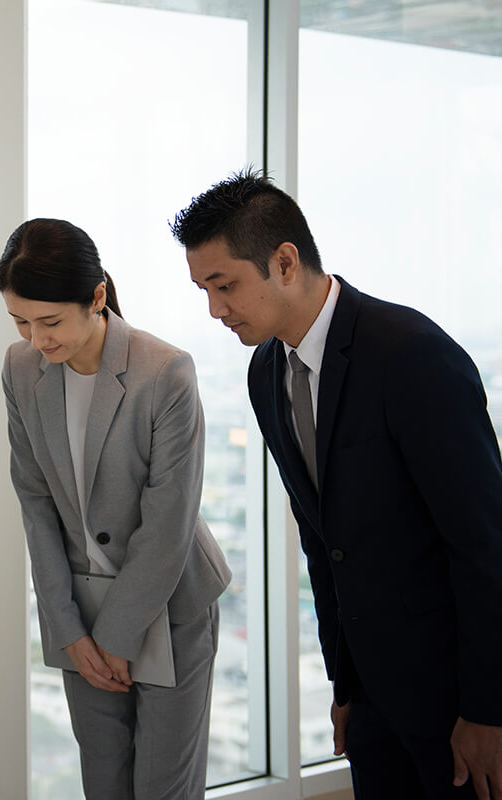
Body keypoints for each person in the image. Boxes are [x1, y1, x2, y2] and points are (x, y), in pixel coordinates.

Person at [173, 169, 502, 799]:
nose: (215, 310)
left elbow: (484, 543)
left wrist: (488, 708)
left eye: (224, 285)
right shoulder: (265, 371)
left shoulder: (409, 354)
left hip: (456, 693)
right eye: (203, 290)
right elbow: (324, 544)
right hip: (371, 697)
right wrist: (345, 686)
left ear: (286, 262)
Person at [0, 218, 231, 799]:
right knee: (104, 784)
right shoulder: (20, 369)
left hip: (171, 602)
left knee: (162, 789)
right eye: (21, 321)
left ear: (97, 297)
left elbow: (169, 522)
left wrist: (116, 637)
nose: (36, 340)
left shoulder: (165, 371)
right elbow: (35, 502)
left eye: (49, 321)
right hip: (80, 610)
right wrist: (68, 627)